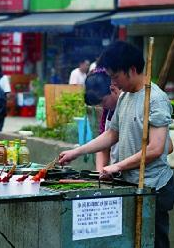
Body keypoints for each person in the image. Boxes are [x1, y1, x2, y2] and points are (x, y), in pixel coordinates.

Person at [59, 41, 174, 248]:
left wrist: (118, 166)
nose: (114, 82)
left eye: (115, 76)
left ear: (131, 70)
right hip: (130, 184)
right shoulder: (125, 97)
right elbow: (111, 134)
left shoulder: (156, 99)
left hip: (153, 186)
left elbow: (157, 148)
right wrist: (76, 152)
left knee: (154, 241)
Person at [84, 67, 121, 171]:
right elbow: (103, 147)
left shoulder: (129, 107)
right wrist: (100, 173)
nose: (102, 106)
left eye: (103, 101)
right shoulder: (108, 113)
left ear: (113, 88)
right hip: (118, 174)